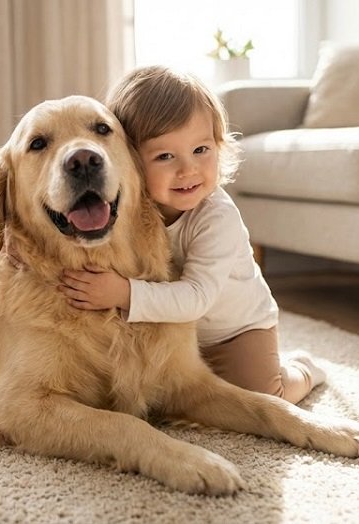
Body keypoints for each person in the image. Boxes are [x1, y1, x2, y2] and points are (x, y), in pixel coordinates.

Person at [59, 66, 326, 404]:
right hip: (174, 333)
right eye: (165, 156)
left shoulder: (217, 217)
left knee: (261, 393)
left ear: (219, 147)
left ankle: (303, 369)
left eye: (201, 150)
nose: (188, 170)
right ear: (129, 161)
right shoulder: (124, 207)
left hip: (233, 331)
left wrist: (123, 293)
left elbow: (197, 297)